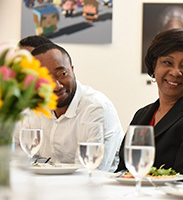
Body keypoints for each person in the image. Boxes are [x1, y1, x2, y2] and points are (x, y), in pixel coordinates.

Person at [116, 29, 183, 184]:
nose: (175, 72)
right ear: (154, 66)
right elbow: (123, 171)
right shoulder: (142, 114)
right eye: (167, 62)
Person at [16, 43, 124, 172]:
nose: (57, 86)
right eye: (46, 79)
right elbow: (24, 161)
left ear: (72, 70)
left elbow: (90, 171)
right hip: (46, 188)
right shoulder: (34, 109)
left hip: (98, 189)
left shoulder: (96, 108)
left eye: (62, 74)